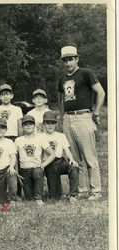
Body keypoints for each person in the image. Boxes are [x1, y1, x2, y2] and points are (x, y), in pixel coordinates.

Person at [57, 46, 106, 201]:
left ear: (77, 59)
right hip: (68, 118)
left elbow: (101, 92)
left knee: (89, 156)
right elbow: (61, 98)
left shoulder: (85, 73)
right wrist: (62, 115)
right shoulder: (62, 78)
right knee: (75, 158)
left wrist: (96, 112)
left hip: (84, 116)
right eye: (65, 60)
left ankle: (95, 190)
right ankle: (82, 189)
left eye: (71, 59)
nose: (68, 63)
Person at [15, 115, 56, 205]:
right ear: (22, 127)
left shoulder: (40, 138)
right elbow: (16, 158)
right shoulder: (18, 140)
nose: (28, 126)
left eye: (31, 124)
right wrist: (17, 173)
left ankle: (39, 198)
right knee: (29, 198)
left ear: (35, 126)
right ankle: (33, 193)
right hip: (24, 171)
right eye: (26, 124)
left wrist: (42, 165)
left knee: (38, 173)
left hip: (36, 169)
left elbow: (52, 154)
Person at [42, 111, 79, 202]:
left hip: (60, 161)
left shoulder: (61, 136)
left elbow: (67, 150)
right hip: (49, 164)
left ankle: (73, 195)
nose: (50, 125)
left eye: (53, 123)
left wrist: (72, 160)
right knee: (54, 197)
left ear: (56, 124)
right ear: (44, 124)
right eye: (48, 123)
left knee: (73, 168)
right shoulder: (40, 137)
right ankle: (57, 192)